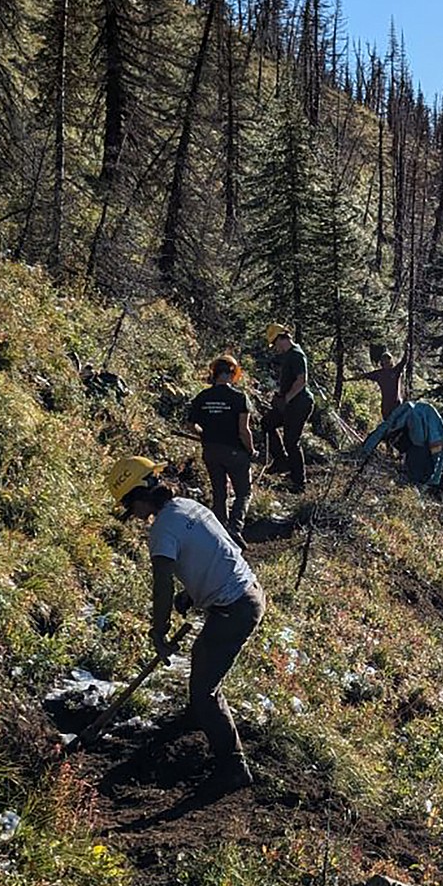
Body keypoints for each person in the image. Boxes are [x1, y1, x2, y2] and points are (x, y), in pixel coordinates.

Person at [105, 456, 266, 790]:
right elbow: (220, 549)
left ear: (139, 495)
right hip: (247, 593)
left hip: (233, 609)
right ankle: (198, 718)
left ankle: (233, 767)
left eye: (128, 504)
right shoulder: (188, 506)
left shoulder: (162, 530)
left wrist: (159, 631)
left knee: (206, 690)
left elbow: (162, 585)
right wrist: (192, 596)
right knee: (202, 658)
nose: (130, 514)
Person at [184, 353, 255, 545]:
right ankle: (234, 528)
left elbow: (190, 424)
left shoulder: (202, 397)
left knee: (219, 492)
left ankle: (219, 533)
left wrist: (204, 434)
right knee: (243, 493)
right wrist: (251, 450)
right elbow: (244, 430)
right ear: (233, 374)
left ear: (214, 373)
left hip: (210, 450)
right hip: (235, 452)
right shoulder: (239, 398)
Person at [263, 322, 314, 493]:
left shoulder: (297, 355)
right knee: (267, 423)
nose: (275, 348)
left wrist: (286, 399)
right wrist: (280, 396)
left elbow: (301, 380)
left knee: (292, 441)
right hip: (290, 402)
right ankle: (280, 461)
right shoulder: (289, 355)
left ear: (281, 338)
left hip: (300, 403)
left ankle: (299, 482)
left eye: (275, 343)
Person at [355, 397, 443, 488]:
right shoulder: (403, 414)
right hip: (418, 440)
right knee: (416, 464)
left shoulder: (433, 434)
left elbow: (437, 456)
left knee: (420, 470)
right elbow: (382, 430)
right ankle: (413, 482)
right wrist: (364, 451)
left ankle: (416, 483)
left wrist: (432, 479)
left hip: (426, 444)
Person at [366, 341, 409, 420]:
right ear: (381, 362)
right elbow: (365, 376)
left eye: (388, 360)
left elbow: (404, 361)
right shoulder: (379, 374)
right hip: (386, 407)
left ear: (391, 361)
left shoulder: (396, 371)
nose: (386, 362)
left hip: (397, 405)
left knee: (398, 426)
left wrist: (407, 350)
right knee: (388, 426)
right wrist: (347, 379)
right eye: (384, 360)